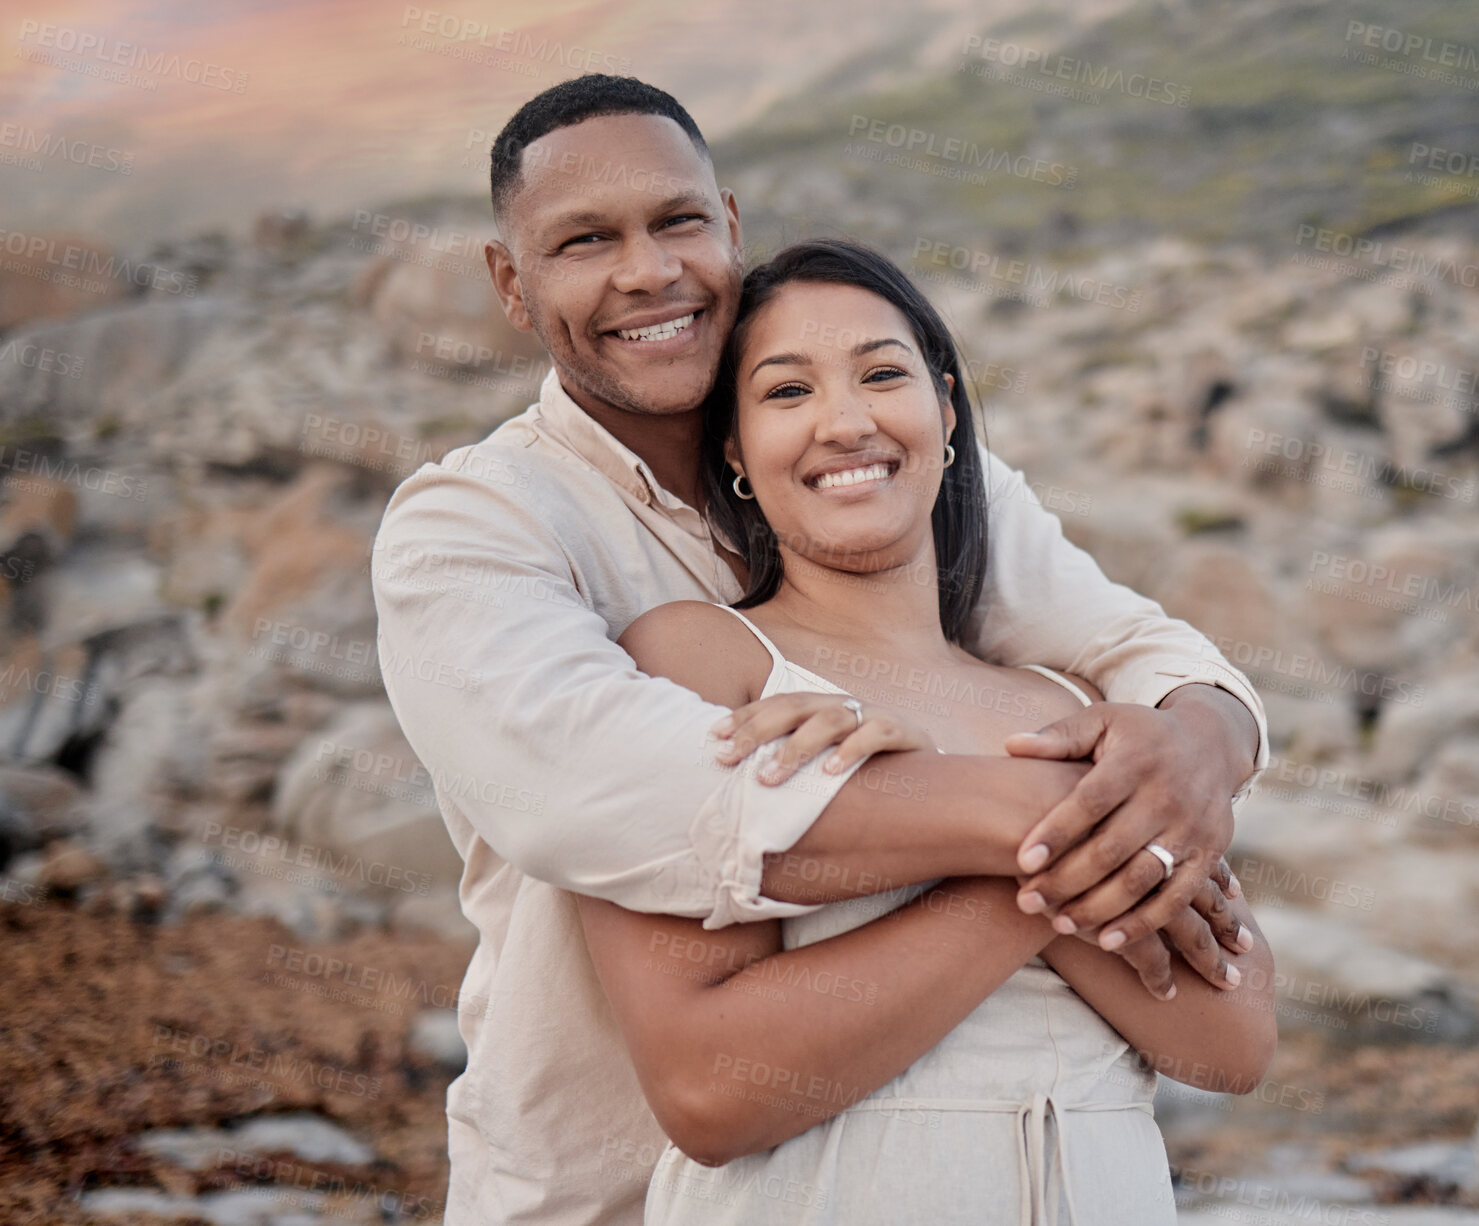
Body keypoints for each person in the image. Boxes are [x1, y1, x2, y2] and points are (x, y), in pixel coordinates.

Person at [370, 74, 1267, 1225]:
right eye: (585, 239)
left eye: (677, 222)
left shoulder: (895, 477)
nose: (646, 272)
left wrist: (1198, 740)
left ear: (729, 225)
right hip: (600, 1188)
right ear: (509, 280)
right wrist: (1055, 826)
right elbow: (600, 784)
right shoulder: (477, 523)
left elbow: (1139, 649)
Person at [575, 239, 1277, 1225]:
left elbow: (1229, 1039)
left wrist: (968, 823)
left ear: (945, 414)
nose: (845, 420)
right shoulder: (705, 660)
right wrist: (1040, 852)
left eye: (881, 373)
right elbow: (706, 1089)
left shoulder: (1063, 695)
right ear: (731, 448)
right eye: (785, 392)